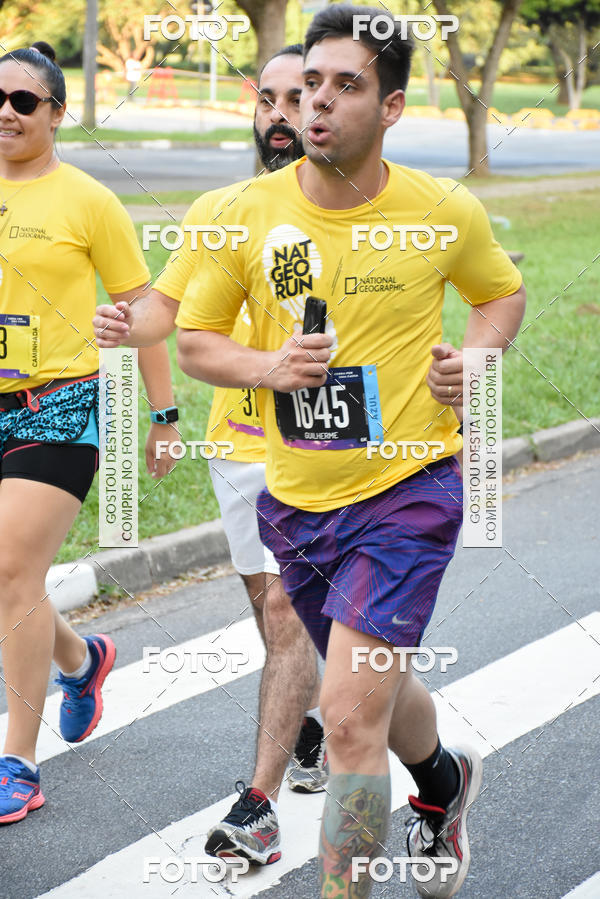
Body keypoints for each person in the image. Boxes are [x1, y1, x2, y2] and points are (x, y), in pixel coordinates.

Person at [174, 5, 527, 897]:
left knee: (344, 725)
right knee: (365, 685)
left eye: (345, 85)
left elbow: (501, 296)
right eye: (309, 85)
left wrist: (473, 362)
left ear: (393, 106)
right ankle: (443, 784)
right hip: (295, 499)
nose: (317, 104)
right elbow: (196, 339)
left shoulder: (441, 210)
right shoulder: (242, 212)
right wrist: (271, 365)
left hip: (409, 488)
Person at [92, 45, 327, 867]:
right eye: (267, 98)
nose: (278, 114)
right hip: (241, 438)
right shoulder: (223, 207)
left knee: (292, 612)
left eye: (297, 97)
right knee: (272, 609)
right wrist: (129, 325)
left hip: (335, 442)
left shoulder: (373, 207)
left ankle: (257, 800)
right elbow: (167, 306)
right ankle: (307, 720)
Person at [0, 42, 177, 825]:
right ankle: (80, 658)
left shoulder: (88, 201)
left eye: (23, 101)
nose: (5, 112)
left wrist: (165, 416)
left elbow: (145, 312)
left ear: (57, 113)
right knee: (9, 581)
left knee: (11, 568)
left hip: (59, 406)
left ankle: (18, 760)